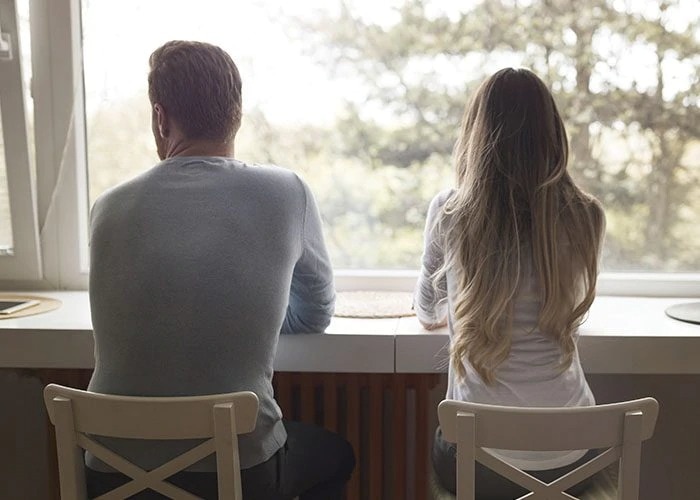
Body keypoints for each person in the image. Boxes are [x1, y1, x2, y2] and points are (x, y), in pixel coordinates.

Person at [86, 40, 354, 499]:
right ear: (237, 113)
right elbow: (315, 313)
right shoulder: (286, 192)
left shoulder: (107, 207)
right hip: (236, 472)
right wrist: (249, 317)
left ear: (160, 117)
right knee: (335, 456)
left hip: (113, 473)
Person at [415, 68, 606, 499]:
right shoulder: (586, 215)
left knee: (440, 444)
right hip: (573, 459)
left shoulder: (451, 211)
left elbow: (428, 312)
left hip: (478, 461)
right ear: (554, 136)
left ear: (476, 136)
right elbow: (572, 311)